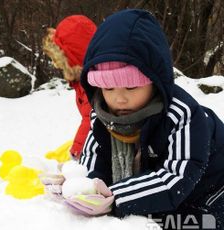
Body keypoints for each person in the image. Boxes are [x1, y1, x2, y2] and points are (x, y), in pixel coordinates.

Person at [62, 9, 224, 229]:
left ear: (155, 81)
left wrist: (113, 197)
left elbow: (174, 178)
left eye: (131, 86)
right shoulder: (101, 116)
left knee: (186, 224)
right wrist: (80, 188)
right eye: (108, 87)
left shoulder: (183, 115)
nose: (119, 98)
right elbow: (94, 159)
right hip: (166, 199)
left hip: (212, 194)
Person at [42, 15, 96, 160]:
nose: (55, 64)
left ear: (75, 58)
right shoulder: (84, 80)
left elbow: (91, 121)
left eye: (59, 59)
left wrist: (76, 151)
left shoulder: (92, 83)